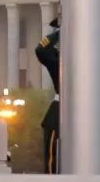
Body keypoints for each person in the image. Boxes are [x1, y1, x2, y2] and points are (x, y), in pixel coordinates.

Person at [34, 16, 60, 174]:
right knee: (53, 161)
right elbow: (41, 50)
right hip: (59, 112)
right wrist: (62, 31)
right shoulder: (58, 60)